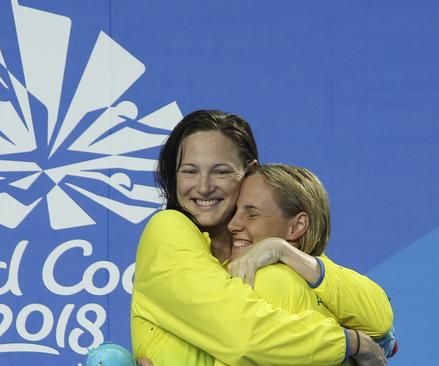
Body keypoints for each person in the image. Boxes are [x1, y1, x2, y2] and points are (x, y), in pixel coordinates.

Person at [131, 110, 392, 365]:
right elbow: (243, 336)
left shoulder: (270, 249)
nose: (203, 186)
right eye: (189, 171)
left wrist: (284, 251)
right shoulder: (167, 230)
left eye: (220, 171)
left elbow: (380, 318)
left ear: (249, 171)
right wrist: (350, 343)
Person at [227, 163, 397, 358]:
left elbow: (381, 317)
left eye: (252, 214)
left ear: (297, 226)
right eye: (234, 212)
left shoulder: (262, 280)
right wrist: (356, 344)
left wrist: (281, 250)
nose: (232, 224)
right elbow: (383, 323)